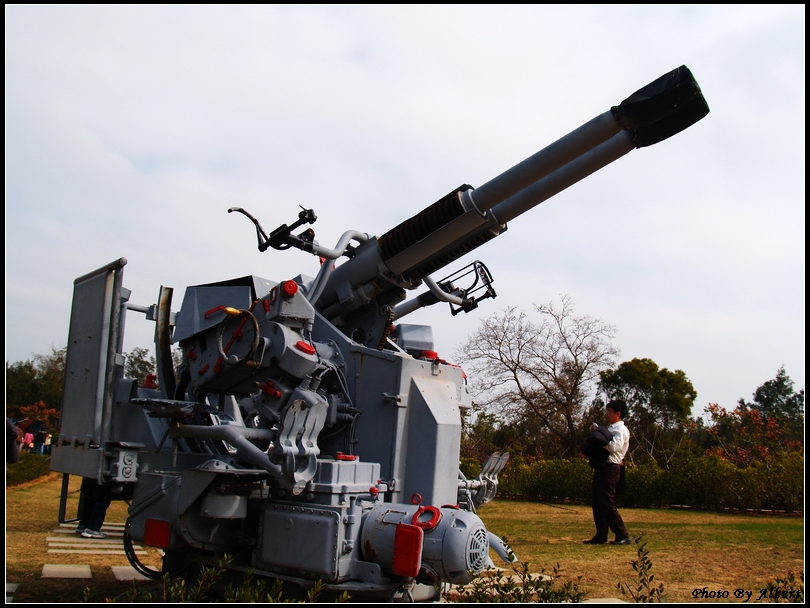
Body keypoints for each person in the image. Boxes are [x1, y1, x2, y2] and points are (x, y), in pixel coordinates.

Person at [582, 399, 631, 545]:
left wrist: (599, 438)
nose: (606, 414)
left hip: (611, 467)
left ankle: (622, 534)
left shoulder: (621, 430)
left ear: (618, 413)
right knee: (598, 501)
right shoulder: (610, 429)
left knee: (607, 502)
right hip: (602, 466)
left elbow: (614, 447)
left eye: (609, 411)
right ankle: (601, 534)